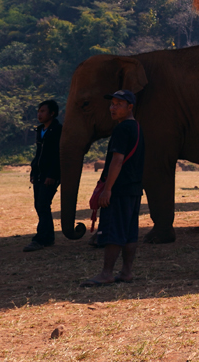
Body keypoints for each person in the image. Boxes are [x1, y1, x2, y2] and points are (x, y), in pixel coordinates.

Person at [81, 89, 145, 287]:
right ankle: (126, 272)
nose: (113, 108)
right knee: (130, 232)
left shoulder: (121, 129)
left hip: (119, 189)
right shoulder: (137, 128)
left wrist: (107, 189)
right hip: (134, 188)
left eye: (119, 104)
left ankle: (106, 273)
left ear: (130, 107)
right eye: (112, 104)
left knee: (113, 231)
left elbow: (117, 161)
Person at [23, 100, 62, 252]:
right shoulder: (40, 130)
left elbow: (58, 154)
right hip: (39, 173)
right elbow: (39, 154)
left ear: (52, 113)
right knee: (40, 206)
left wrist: (53, 174)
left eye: (43, 111)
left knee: (43, 205)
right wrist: (33, 171)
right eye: (39, 111)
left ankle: (40, 238)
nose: (39, 114)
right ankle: (49, 237)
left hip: (50, 174)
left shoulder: (58, 130)